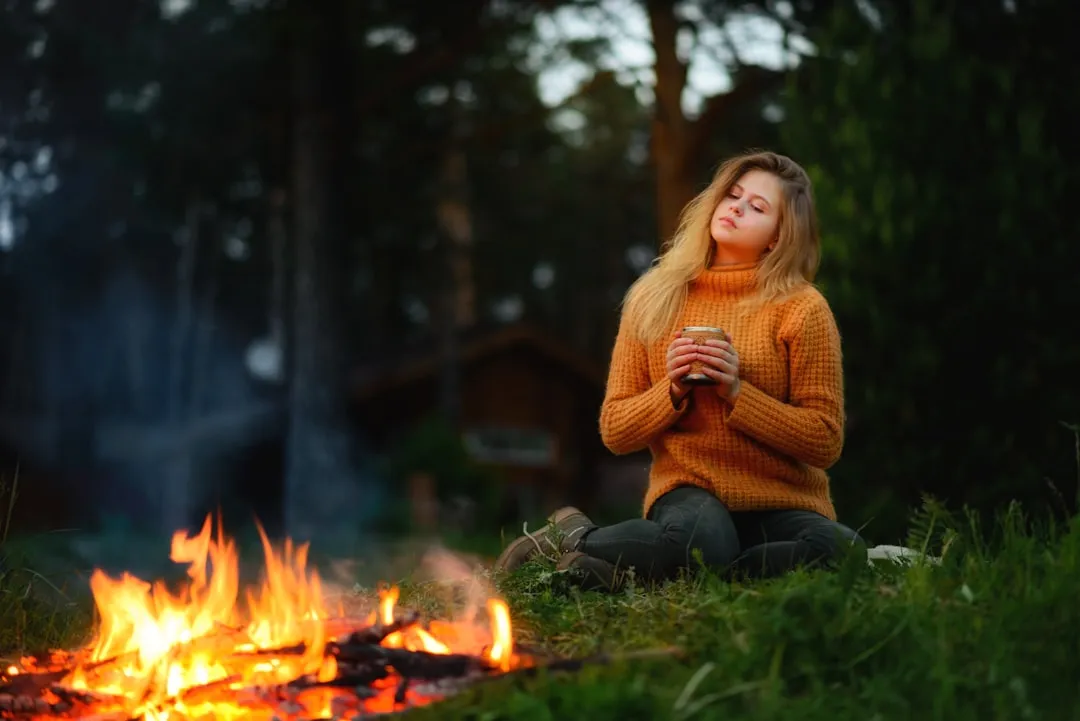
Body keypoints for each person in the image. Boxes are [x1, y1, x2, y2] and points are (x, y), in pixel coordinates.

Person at [494, 150, 866, 590]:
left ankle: (628, 575)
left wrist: (737, 392)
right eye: (733, 194)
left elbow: (824, 440)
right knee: (700, 544)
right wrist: (670, 390)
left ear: (777, 237)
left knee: (845, 552)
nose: (736, 207)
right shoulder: (655, 297)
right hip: (692, 490)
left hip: (782, 502)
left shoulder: (803, 307)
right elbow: (616, 430)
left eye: (758, 207)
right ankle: (571, 537)